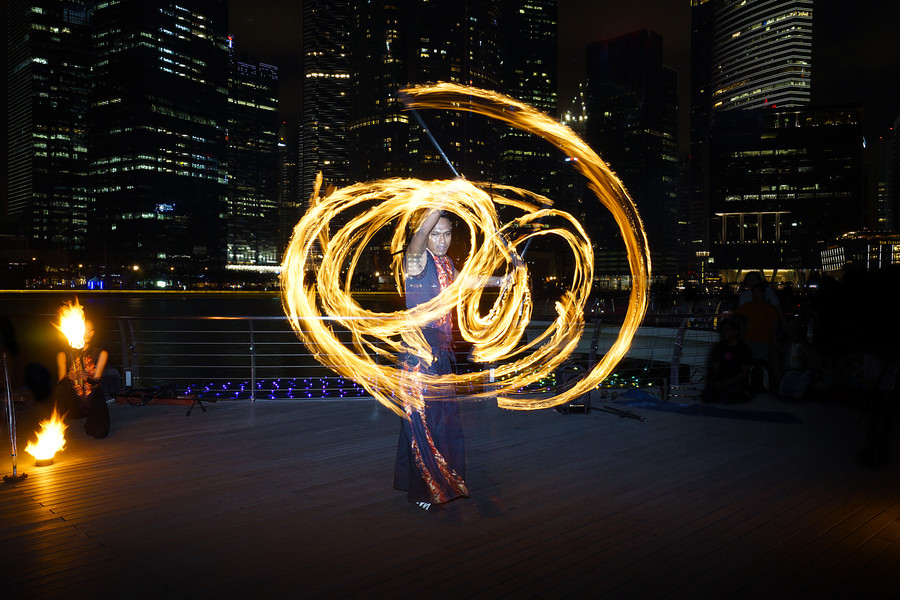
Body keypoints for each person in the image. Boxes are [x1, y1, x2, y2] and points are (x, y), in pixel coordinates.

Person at [394, 208, 507, 510]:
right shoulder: (416, 262)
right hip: (418, 358)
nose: (442, 240)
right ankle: (425, 491)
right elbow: (418, 234)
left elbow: (467, 281)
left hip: (441, 355)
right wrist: (443, 200)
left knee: (430, 423)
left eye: (446, 233)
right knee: (429, 428)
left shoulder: (446, 264)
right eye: (436, 233)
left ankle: (410, 478)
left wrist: (501, 281)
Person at [53, 319, 110, 439]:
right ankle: (54, 426)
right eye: (85, 330)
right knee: (59, 391)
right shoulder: (64, 354)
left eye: (91, 330)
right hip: (72, 402)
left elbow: (97, 380)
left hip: (92, 399)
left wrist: (87, 378)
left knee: (100, 434)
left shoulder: (101, 353)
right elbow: (60, 382)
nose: (88, 333)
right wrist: (69, 377)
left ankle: (92, 422)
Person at [735, 283, 781, 391]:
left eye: (758, 293)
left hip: (762, 340)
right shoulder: (748, 306)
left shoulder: (770, 308)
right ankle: (754, 385)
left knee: (759, 364)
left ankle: (760, 385)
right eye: (754, 293)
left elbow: (775, 325)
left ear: (763, 294)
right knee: (750, 364)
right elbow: (737, 314)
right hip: (749, 340)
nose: (756, 295)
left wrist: (774, 338)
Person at [703, 316, 752, 403]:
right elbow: (715, 367)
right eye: (723, 330)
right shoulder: (719, 347)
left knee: (730, 393)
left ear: (736, 332)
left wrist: (725, 383)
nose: (724, 333)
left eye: (727, 330)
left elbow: (744, 373)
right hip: (721, 381)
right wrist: (714, 380)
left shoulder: (744, 349)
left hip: (735, 382)